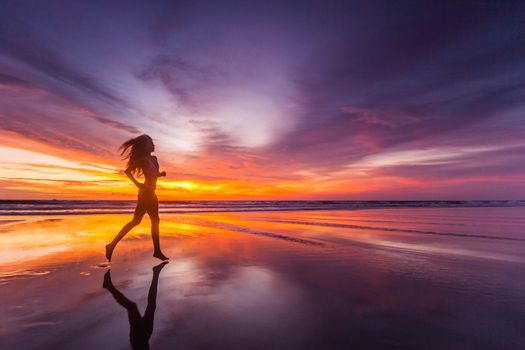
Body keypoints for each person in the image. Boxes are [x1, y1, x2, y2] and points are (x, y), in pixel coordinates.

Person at [106, 134, 169, 262]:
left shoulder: (154, 159)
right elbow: (127, 171)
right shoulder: (143, 160)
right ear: (145, 146)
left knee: (137, 221)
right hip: (146, 193)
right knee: (154, 220)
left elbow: (153, 174)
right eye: (150, 142)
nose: (153, 144)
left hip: (150, 193)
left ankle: (111, 245)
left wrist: (160, 174)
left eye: (153, 142)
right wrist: (137, 184)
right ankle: (156, 251)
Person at [103, 261, 168, 350]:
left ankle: (109, 286)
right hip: (144, 338)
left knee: (133, 307)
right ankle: (156, 272)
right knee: (150, 305)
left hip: (139, 340)